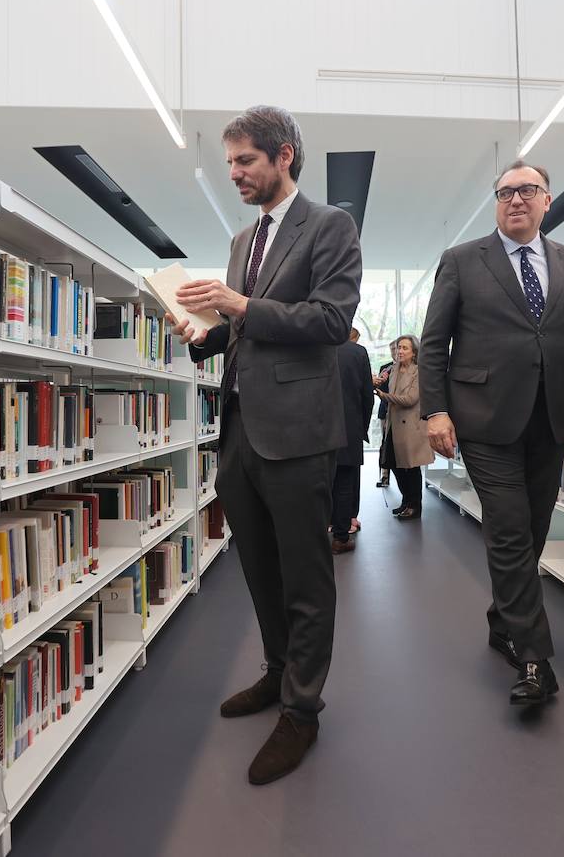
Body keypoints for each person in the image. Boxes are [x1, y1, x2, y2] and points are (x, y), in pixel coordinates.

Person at [172, 105, 362, 785]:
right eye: (229, 163)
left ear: (284, 156)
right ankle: (278, 673)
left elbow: (330, 320)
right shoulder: (241, 242)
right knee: (259, 568)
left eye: (245, 161)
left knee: (307, 577)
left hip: (299, 432)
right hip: (241, 430)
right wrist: (205, 333)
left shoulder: (330, 226)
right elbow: (243, 331)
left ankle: (302, 712)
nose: (235, 174)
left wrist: (239, 306)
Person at [418, 160, 564, 708]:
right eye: (504, 192)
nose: (515, 199)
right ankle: (533, 658)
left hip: (549, 419)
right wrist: (436, 412)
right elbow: (434, 344)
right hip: (483, 419)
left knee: (533, 531)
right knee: (507, 530)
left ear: (548, 200)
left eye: (527, 190)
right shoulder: (461, 261)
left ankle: (504, 621)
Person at [376, 335, 433, 519]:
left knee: (411, 467)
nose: (399, 351)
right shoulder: (393, 370)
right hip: (394, 425)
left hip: (411, 427)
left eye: (404, 348)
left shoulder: (419, 371)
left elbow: (410, 400)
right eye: (399, 347)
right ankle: (406, 501)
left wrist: (384, 397)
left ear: (414, 352)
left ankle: (415, 506)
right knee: (394, 464)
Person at [331, 327, 374, 553]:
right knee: (345, 483)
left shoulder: (311, 346)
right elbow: (367, 395)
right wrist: (362, 428)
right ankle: (340, 538)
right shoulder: (357, 353)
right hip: (349, 428)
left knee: (316, 484)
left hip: (313, 431)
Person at [373, 343, 396, 487]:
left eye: (398, 348)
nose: (396, 351)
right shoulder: (385, 368)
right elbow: (380, 389)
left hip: (403, 411)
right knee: (385, 443)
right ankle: (384, 476)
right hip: (385, 410)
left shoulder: (413, 369)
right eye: (393, 349)